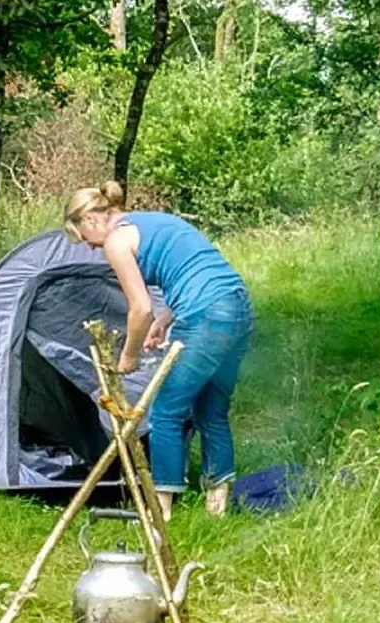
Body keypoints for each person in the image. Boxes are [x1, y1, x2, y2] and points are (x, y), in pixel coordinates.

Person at [63, 181, 252, 519]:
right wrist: (166, 319)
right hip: (237, 311)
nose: (92, 249)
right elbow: (196, 275)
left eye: (85, 240)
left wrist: (129, 356)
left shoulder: (117, 241)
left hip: (207, 317)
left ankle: (160, 509)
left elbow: (139, 309)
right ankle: (217, 509)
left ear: (90, 218)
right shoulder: (154, 221)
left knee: (166, 410)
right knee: (211, 410)